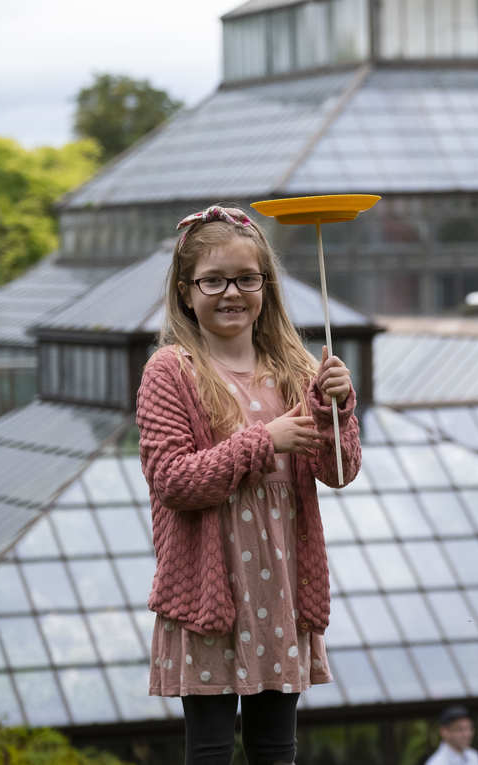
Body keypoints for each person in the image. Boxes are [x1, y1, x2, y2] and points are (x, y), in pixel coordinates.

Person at [137, 205, 361, 765]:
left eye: (246, 278)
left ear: (266, 285)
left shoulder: (297, 367)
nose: (231, 292)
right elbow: (173, 480)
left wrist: (337, 409)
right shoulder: (172, 370)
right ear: (186, 290)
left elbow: (339, 471)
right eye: (213, 280)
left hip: (279, 588)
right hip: (210, 591)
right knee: (210, 748)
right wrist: (266, 440)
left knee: (274, 747)